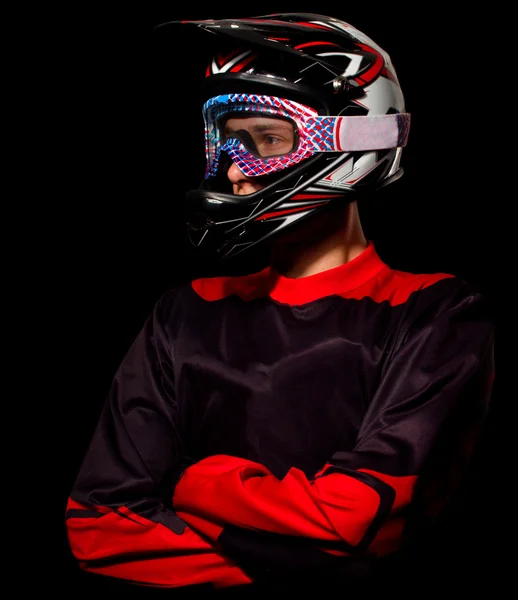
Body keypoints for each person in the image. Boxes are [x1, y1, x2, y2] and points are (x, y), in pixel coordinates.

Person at [65, 12, 495, 595]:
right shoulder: (185, 312)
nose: (238, 169)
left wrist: (200, 483)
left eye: (268, 139)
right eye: (228, 139)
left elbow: (359, 517)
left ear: (353, 138)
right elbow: (100, 528)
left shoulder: (434, 312)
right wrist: (313, 559)